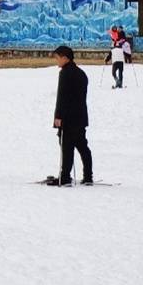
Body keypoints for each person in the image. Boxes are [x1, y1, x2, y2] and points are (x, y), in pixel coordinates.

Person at [49, 45, 91, 186]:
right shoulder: (81, 73)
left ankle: (65, 177)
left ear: (65, 58)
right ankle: (88, 176)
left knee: (66, 146)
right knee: (82, 146)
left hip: (68, 117)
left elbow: (62, 97)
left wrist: (58, 117)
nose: (57, 61)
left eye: (57, 58)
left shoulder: (65, 73)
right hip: (80, 116)